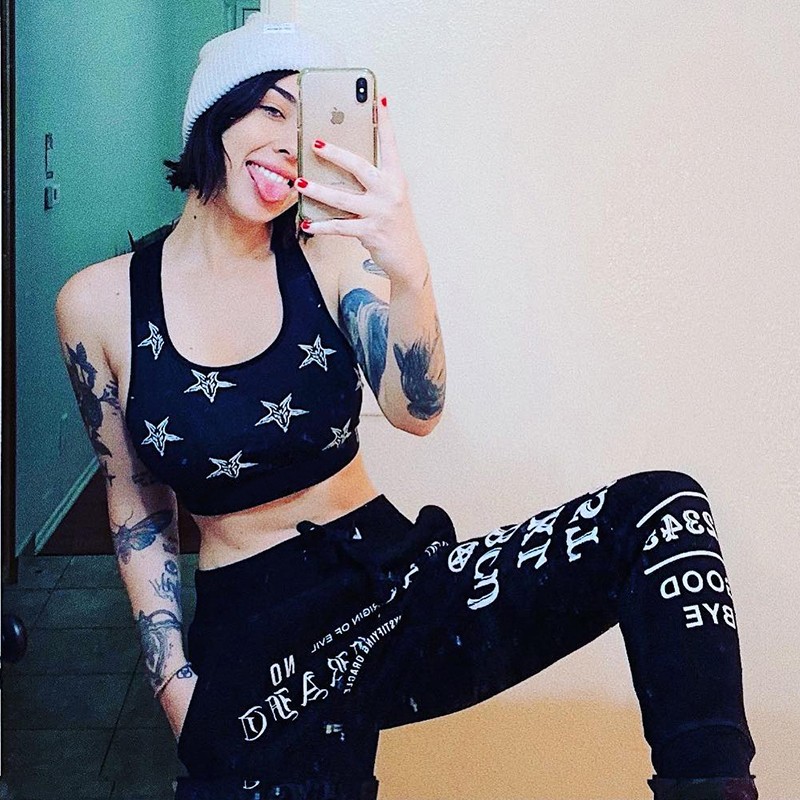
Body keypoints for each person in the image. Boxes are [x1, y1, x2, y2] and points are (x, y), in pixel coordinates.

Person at [55, 14, 757, 800]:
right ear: (212, 115)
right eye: (271, 110)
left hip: (391, 583)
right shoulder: (98, 304)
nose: (287, 145)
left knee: (666, 513)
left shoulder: (328, 259)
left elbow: (416, 410)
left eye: (310, 126)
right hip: (259, 638)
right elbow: (135, 500)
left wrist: (409, 270)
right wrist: (173, 682)